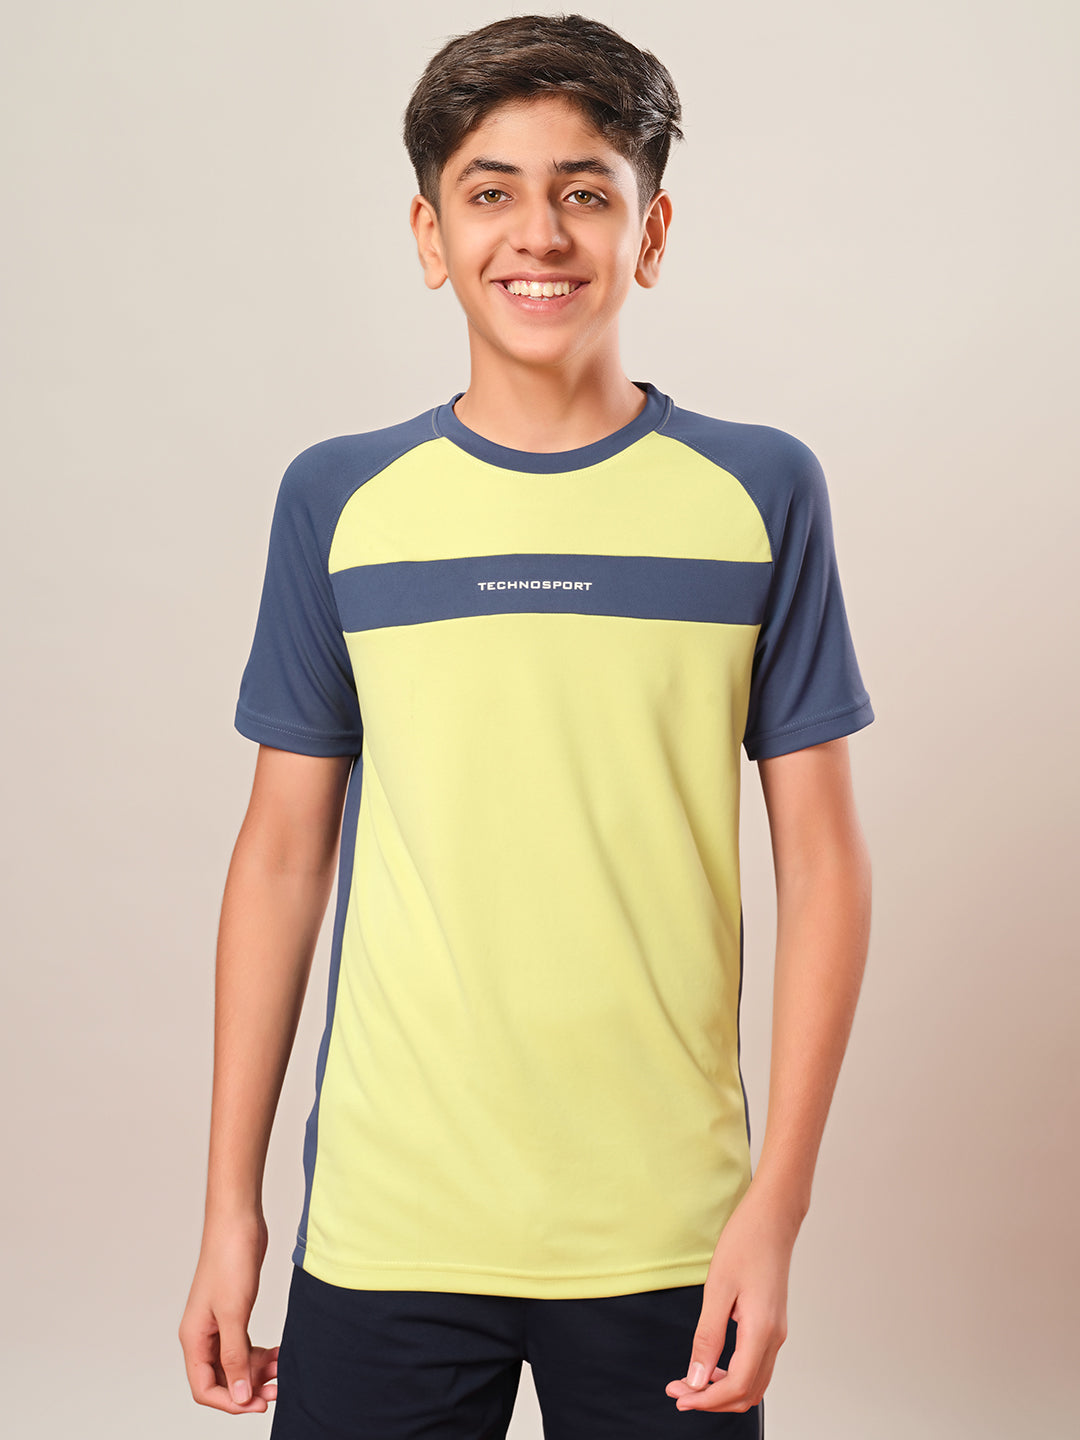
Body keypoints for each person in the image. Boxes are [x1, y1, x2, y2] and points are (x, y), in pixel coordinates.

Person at [179, 13, 874, 1437]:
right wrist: (228, 1208)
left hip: (669, 1228)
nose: (539, 234)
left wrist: (776, 1208)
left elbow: (824, 863)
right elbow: (282, 858)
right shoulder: (339, 502)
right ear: (431, 236)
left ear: (649, 232)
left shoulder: (759, 493)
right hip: (388, 1223)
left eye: (585, 191)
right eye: (490, 191)